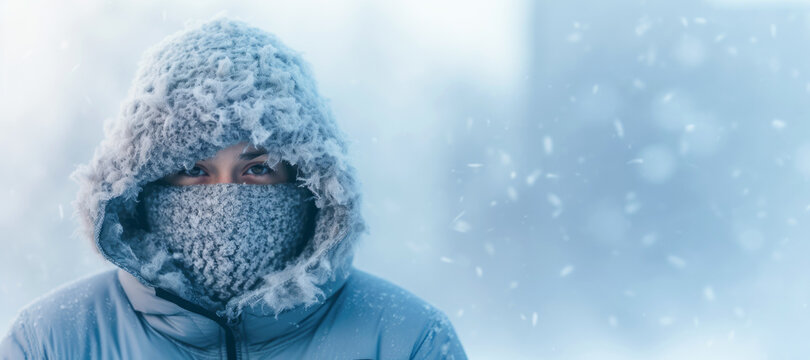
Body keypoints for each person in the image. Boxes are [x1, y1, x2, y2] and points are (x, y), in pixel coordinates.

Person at [0, 16, 467, 359]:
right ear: (141, 184)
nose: (225, 199)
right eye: (193, 170)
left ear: (309, 181)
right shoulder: (52, 342)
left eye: (257, 169)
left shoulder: (408, 340)